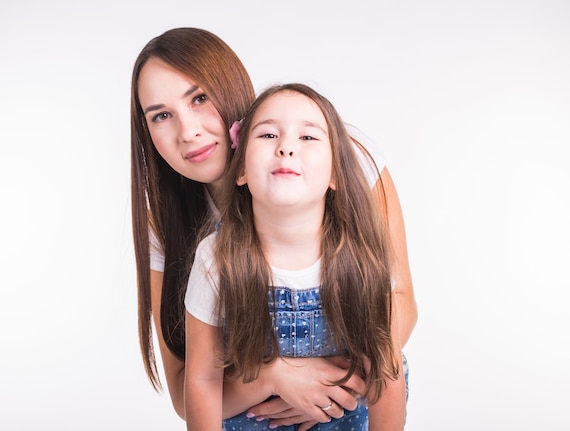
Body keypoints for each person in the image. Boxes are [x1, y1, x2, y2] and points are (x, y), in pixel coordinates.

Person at [130, 27, 417, 429]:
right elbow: (188, 388)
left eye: (199, 98)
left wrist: (330, 385)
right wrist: (274, 376)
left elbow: (399, 301)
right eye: (161, 115)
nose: (188, 131)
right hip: (251, 411)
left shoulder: (331, 158)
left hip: (350, 400)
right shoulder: (178, 230)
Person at [185, 83, 406, 431]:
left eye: (308, 138)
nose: (286, 147)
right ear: (240, 170)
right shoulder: (216, 259)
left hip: (346, 419)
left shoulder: (361, 257)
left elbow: (387, 379)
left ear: (335, 174)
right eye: (269, 134)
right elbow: (202, 382)